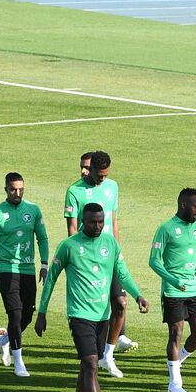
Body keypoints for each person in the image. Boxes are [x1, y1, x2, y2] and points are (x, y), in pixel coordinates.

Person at [36, 203, 150, 392]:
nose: (97, 226)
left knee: (88, 367)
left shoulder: (110, 243)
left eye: (100, 221)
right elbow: (51, 281)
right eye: (92, 222)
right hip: (79, 315)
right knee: (91, 364)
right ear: (82, 221)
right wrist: (42, 313)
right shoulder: (69, 246)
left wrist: (138, 294)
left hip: (102, 316)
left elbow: (122, 273)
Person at [64, 150, 134, 376]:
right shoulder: (75, 191)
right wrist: (76, 260)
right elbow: (72, 229)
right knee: (94, 308)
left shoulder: (112, 187)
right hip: (85, 260)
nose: (102, 178)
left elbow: (113, 222)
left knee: (121, 304)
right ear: (89, 168)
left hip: (108, 256)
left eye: (105, 174)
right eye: (99, 174)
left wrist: (117, 252)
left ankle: (108, 356)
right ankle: (90, 354)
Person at [0, 172, 50, 377]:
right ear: (5, 189)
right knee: (14, 313)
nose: (17, 193)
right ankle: (18, 361)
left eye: (21, 189)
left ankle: (5, 340)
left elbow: (42, 238)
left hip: (27, 269)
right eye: (13, 189)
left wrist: (44, 263)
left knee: (27, 315)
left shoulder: (33, 210)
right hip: (6, 269)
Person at [149, 188, 196, 392]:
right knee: (176, 333)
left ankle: (177, 361)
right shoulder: (166, 229)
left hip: (194, 289)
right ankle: (175, 383)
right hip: (173, 292)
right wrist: (173, 280)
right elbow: (154, 261)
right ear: (183, 205)